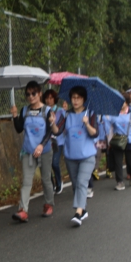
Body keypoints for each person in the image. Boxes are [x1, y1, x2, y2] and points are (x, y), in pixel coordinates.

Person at [9, 81, 55, 222]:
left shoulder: (48, 111)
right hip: (28, 152)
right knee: (26, 182)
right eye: (28, 94)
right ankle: (23, 210)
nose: (31, 96)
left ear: (40, 93)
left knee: (45, 179)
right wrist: (15, 116)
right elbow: (19, 129)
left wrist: (41, 145)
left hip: (45, 151)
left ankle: (48, 204)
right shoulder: (25, 110)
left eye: (34, 93)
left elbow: (49, 132)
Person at [57, 85, 98, 226]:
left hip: (87, 156)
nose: (75, 101)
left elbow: (95, 133)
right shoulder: (66, 114)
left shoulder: (90, 114)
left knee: (81, 182)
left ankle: (78, 213)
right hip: (70, 156)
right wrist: (51, 122)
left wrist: (87, 124)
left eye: (78, 98)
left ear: (84, 100)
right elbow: (57, 131)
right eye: (73, 98)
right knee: (76, 185)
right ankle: (83, 210)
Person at [104, 101, 131, 190]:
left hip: (129, 140)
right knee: (118, 162)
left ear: (127, 103)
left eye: (123, 102)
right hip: (117, 141)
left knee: (130, 161)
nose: (121, 104)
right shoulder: (114, 114)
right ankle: (120, 182)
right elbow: (111, 129)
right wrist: (109, 141)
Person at [43, 90, 65, 195]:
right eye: (47, 98)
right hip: (46, 142)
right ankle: (51, 185)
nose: (49, 100)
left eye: (51, 98)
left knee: (54, 163)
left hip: (58, 141)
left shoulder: (61, 111)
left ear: (55, 99)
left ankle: (59, 182)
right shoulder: (43, 111)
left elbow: (60, 128)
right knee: (46, 164)